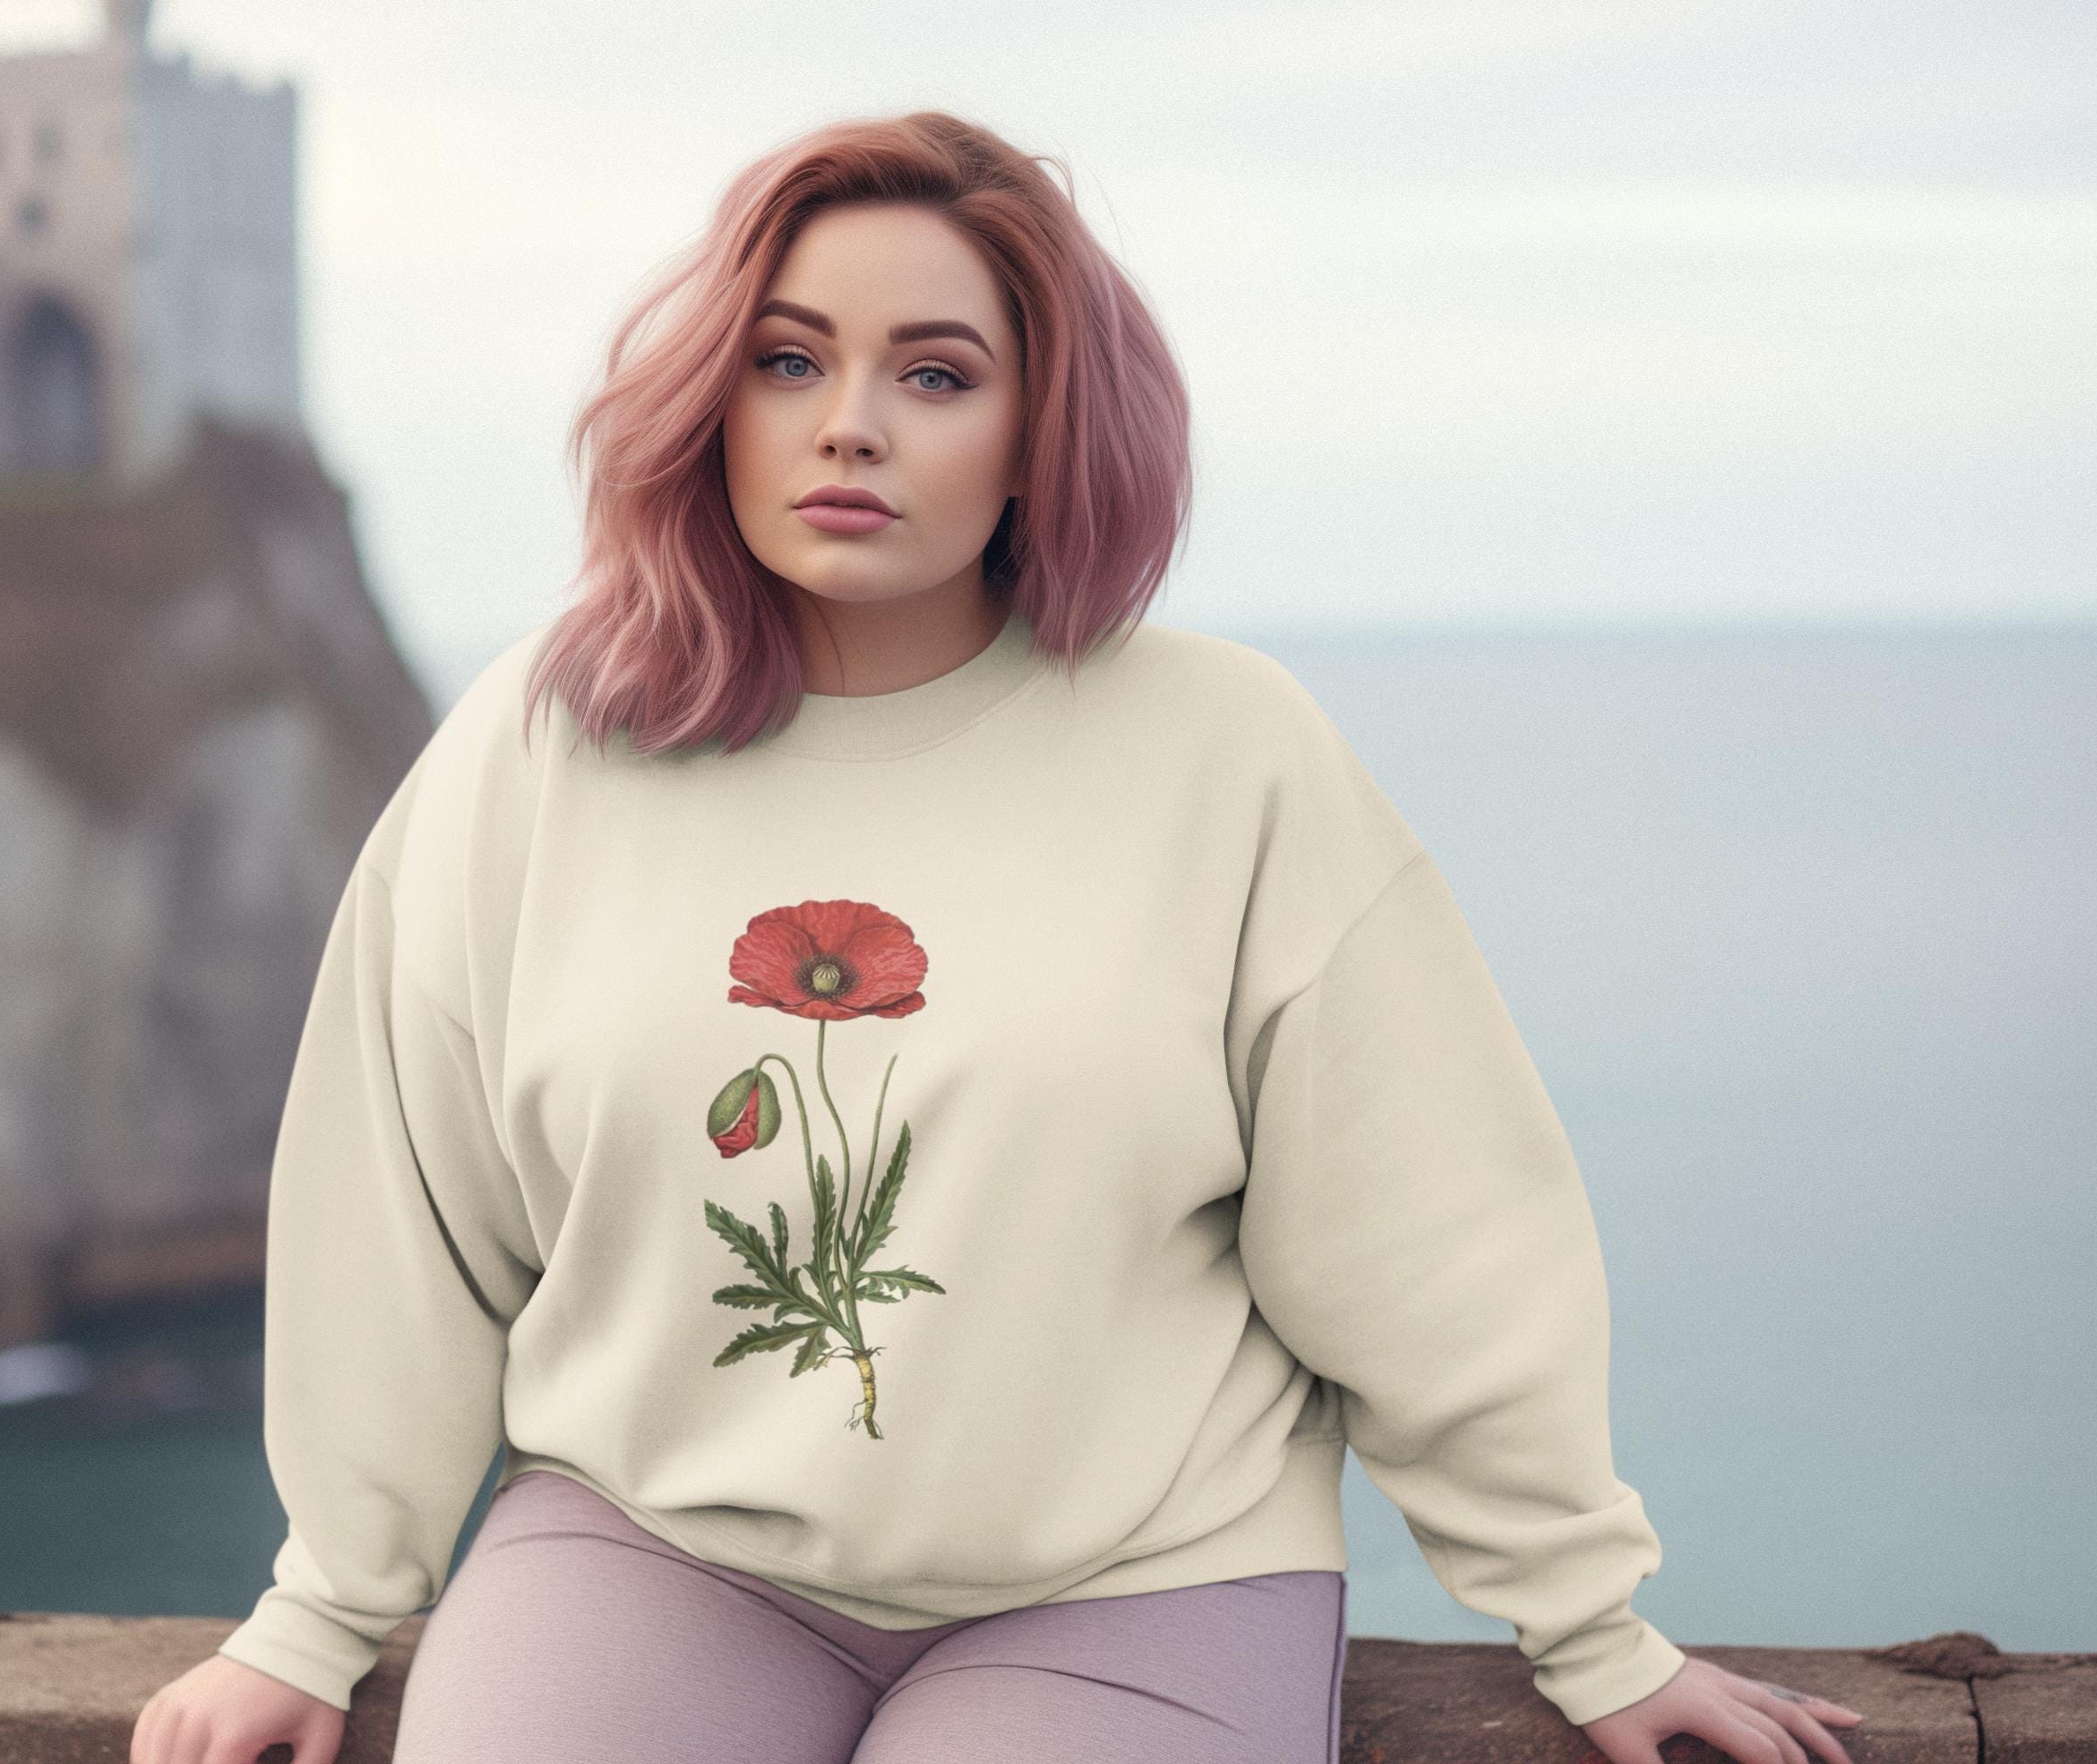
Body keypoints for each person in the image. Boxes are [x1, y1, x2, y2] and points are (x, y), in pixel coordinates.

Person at [130, 111, 1869, 1764]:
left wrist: (1588, 1622)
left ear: (1045, 430)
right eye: (789, 360)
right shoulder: (546, 741)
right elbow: (403, 1202)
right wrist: (319, 1609)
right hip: (654, 1545)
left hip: (1140, 1579)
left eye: (937, 374)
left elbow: (1426, 1231)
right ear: (712, 399)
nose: (849, 425)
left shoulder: (1232, 754)